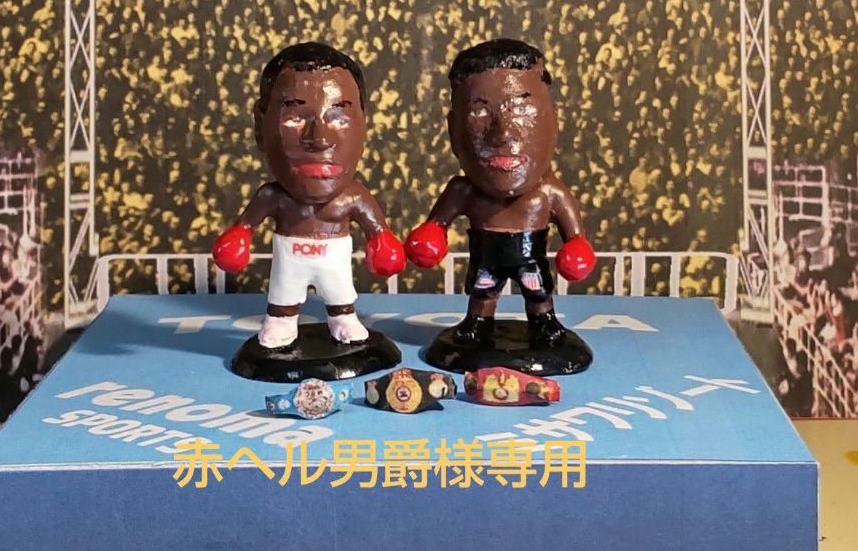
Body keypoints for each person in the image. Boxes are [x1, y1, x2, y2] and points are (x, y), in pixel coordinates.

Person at [405, 38, 596, 352]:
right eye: (479, 112)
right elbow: (435, 226)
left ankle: (544, 321)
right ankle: (478, 323)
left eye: (521, 109)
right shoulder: (464, 191)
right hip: (487, 256)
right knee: (483, 290)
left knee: (537, 291)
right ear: (453, 130)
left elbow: (575, 236)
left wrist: (577, 246)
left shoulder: (549, 192)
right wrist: (430, 236)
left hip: (530, 256)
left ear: (554, 121)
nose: (503, 133)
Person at [211, 42, 405, 349]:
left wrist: (382, 242)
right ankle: (281, 321)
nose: (319, 139)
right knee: (283, 296)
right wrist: (238, 238)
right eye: (295, 118)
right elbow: (244, 227)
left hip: (334, 260)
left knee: (340, 293)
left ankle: (343, 317)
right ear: (260, 126)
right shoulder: (274, 197)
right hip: (290, 259)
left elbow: (378, 231)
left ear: (364, 125)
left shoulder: (352, 197)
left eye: (339, 118)